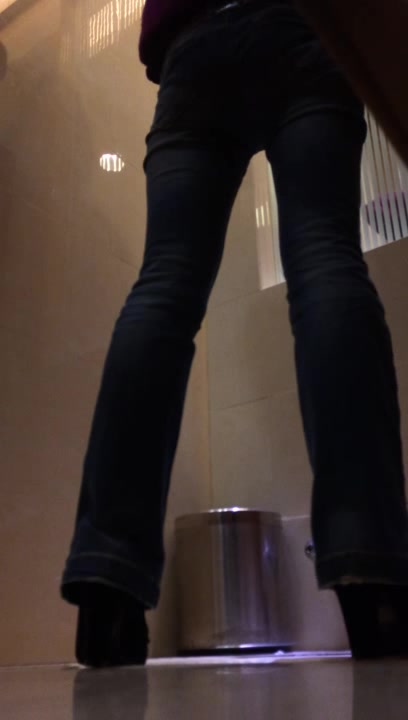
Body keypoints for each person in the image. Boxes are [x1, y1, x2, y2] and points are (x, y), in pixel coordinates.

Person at [61, 0, 408, 666]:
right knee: (326, 259)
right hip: (306, 23)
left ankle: (109, 588)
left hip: (193, 42)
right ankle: (374, 579)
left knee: (163, 288)